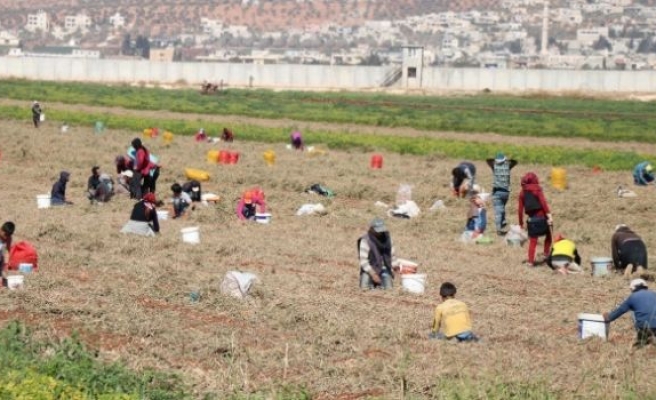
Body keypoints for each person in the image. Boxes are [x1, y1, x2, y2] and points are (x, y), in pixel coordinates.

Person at [604, 279, 656, 348]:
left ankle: (642, 342)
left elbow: (620, 311)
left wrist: (608, 317)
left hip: (644, 327)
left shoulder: (632, 297)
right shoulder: (654, 294)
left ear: (633, 288)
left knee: (632, 311)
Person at [518, 172, 553, 266]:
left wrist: (521, 224)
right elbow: (543, 203)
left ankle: (530, 262)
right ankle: (546, 253)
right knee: (549, 234)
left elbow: (520, 210)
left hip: (532, 221)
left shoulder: (522, 193)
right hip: (542, 219)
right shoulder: (537, 189)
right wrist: (549, 215)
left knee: (533, 241)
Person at [357, 218, 400, 290]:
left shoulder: (388, 239)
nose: (380, 233)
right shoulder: (365, 240)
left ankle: (380, 284)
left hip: (384, 268)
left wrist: (396, 267)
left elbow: (392, 255)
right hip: (370, 269)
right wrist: (373, 274)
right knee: (364, 288)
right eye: (378, 231)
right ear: (372, 229)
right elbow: (363, 261)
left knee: (389, 288)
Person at [486, 152, 518, 235]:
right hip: (506, 193)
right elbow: (515, 161)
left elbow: (488, 160)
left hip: (497, 192)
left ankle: (499, 230)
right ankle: (503, 223)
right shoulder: (507, 166)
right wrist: (506, 159)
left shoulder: (494, 166)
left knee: (498, 211)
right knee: (502, 208)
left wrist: (495, 160)